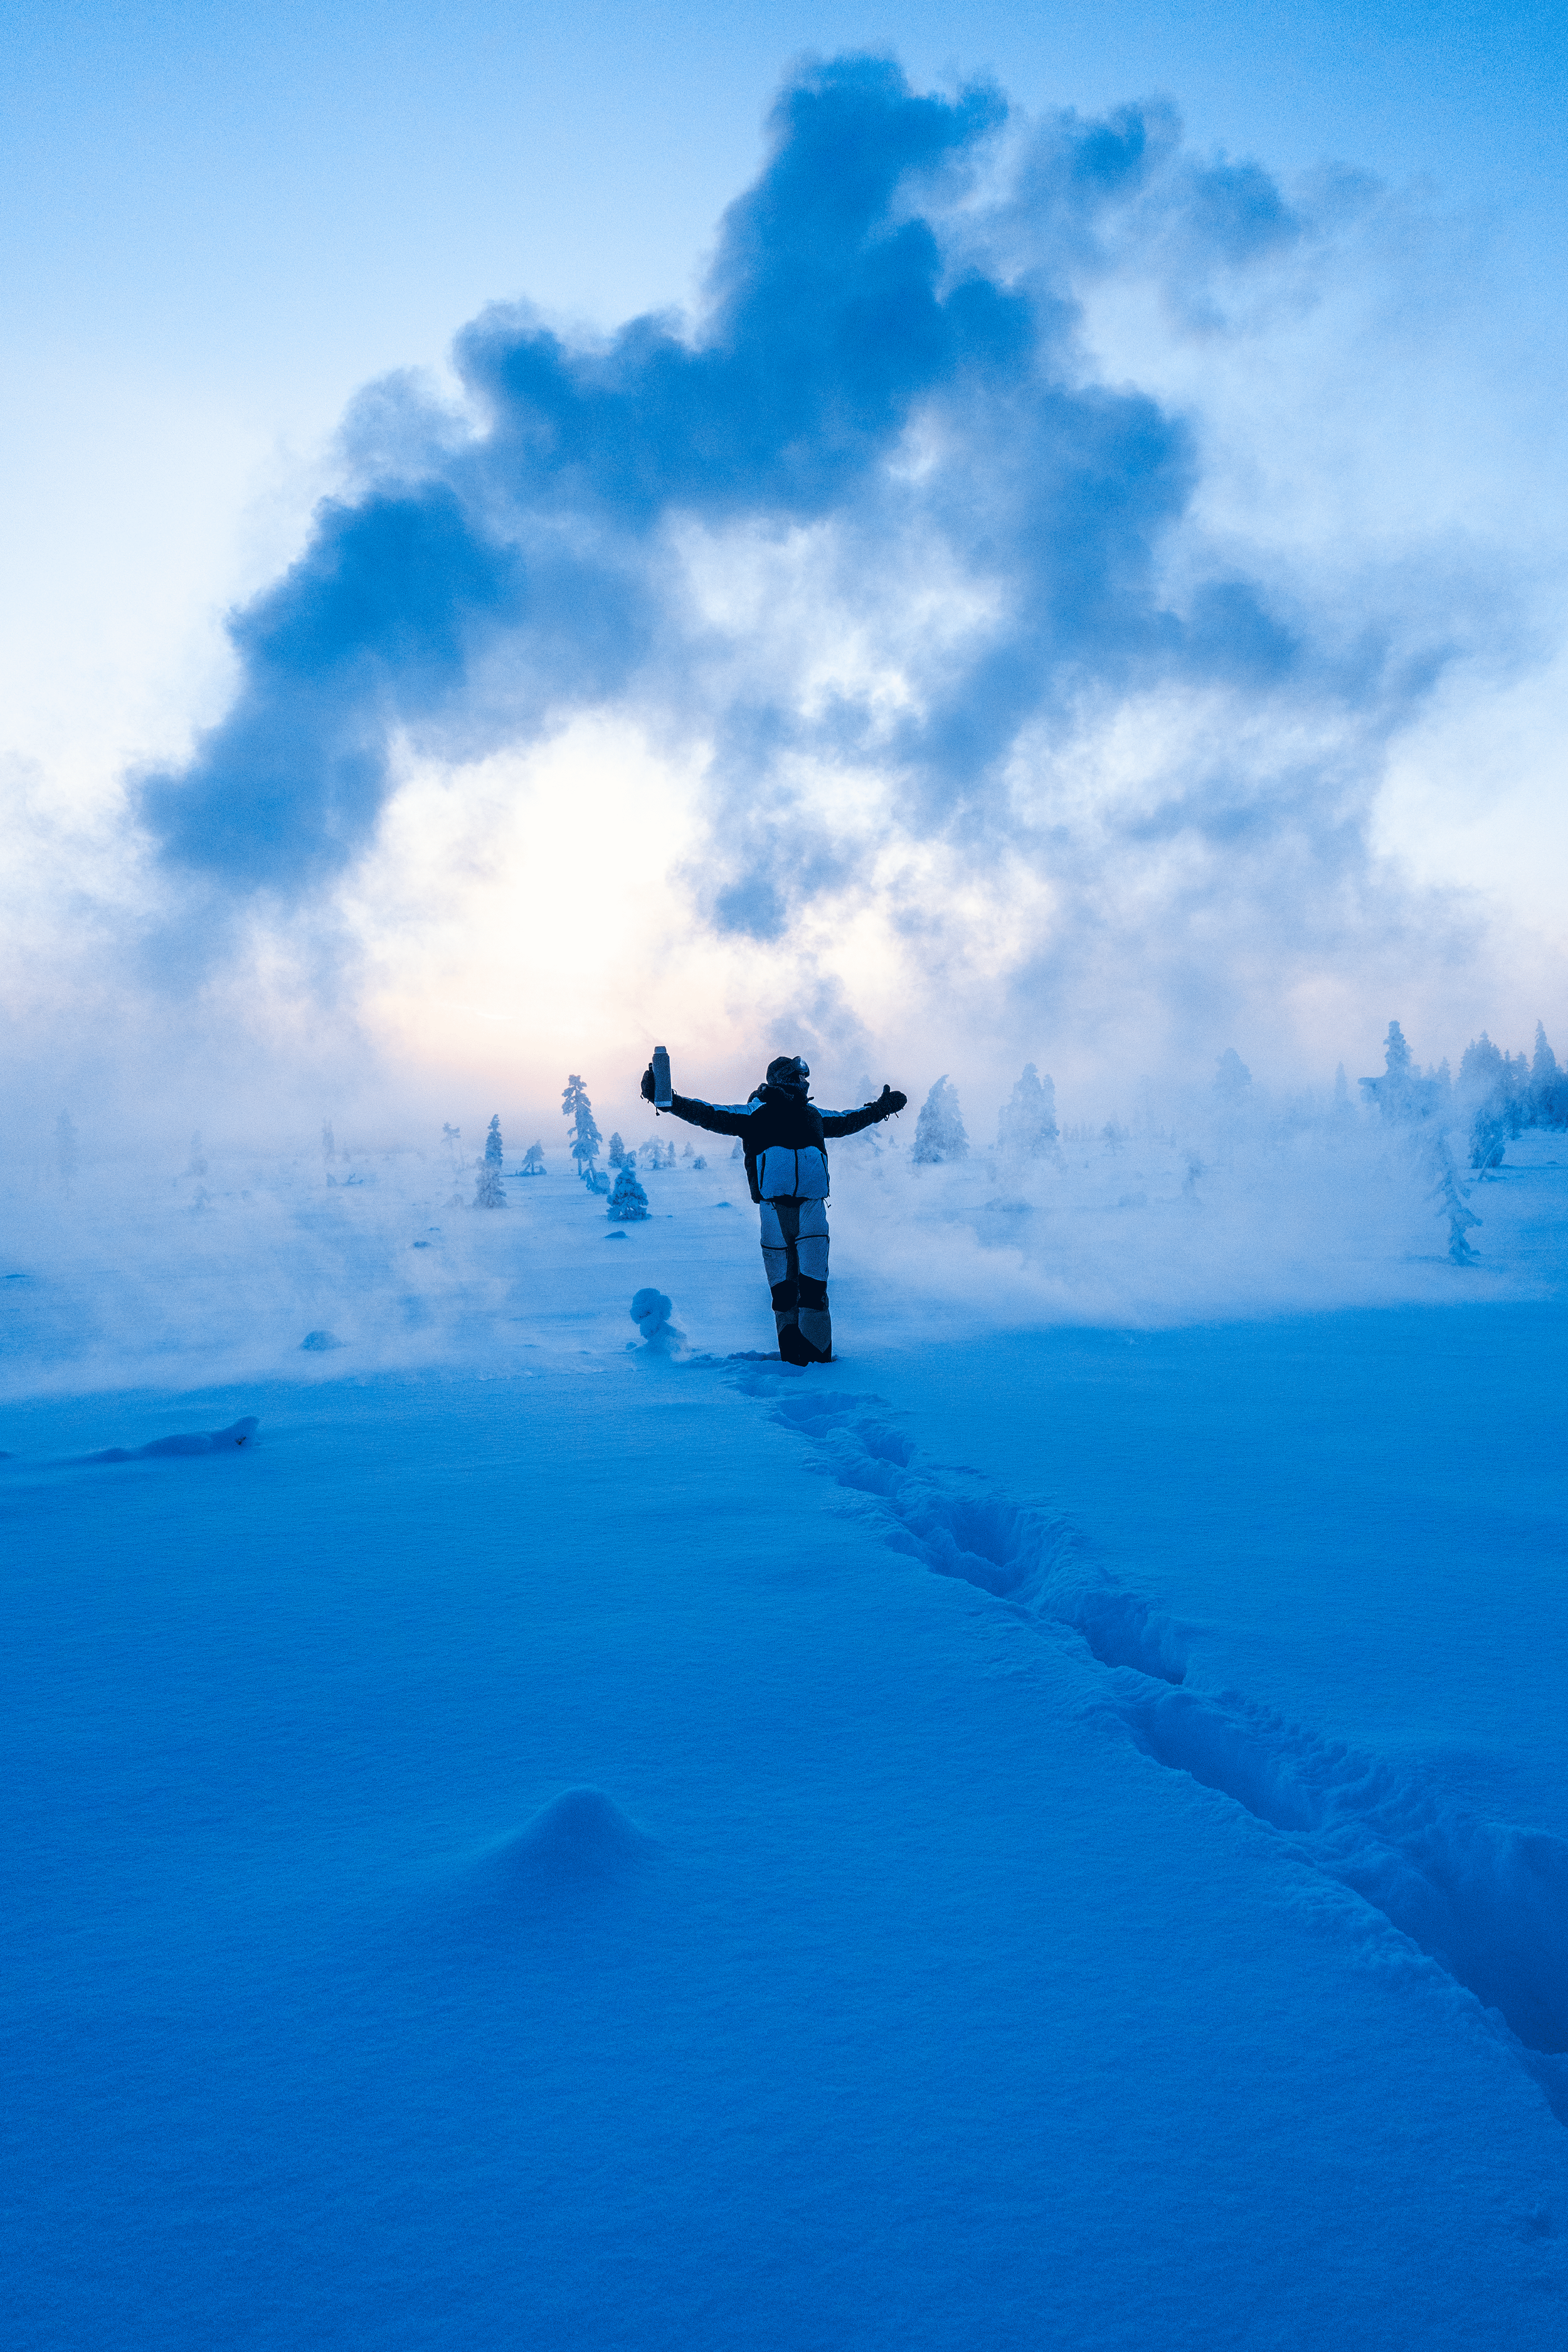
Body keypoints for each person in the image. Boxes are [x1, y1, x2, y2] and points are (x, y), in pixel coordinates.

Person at [640, 1054, 906, 1364]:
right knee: (784, 1291)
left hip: (812, 1210)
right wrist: (667, 1100)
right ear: (783, 1077)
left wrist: (880, 1109)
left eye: (805, 1077)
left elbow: (849, 1121)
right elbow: (708, 1114)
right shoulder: (755, 1113)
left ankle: (819, 1360)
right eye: (799, 1076)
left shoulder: (813, 1115)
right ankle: (794, 1362)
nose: (805, 1082)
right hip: (774, 1212)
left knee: (814, 1288)